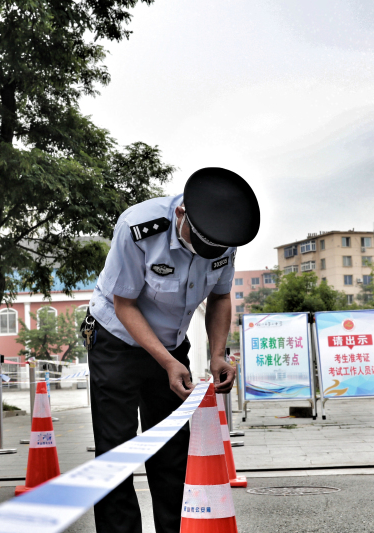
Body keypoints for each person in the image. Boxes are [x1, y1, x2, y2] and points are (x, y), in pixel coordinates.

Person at [86, 167, 260, 533]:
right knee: (115, 452)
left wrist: (217, 354)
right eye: (200, 245)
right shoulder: (138, 228)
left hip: (172, 346)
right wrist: (166, 361)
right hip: (117, 341)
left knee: (172, 452)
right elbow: (125, 304)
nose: (207, 253)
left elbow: (220, 296)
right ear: (181, 215)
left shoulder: (224, 235)